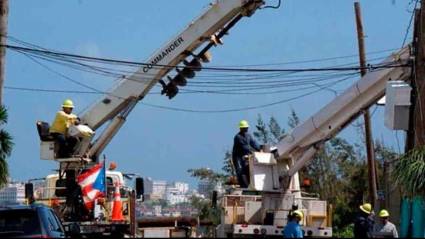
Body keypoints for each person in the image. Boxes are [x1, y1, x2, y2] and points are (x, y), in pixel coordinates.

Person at [231, 120, 261, 188]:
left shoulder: (248, 135)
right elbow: (245, 147)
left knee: (248, 169)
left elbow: (254, 143)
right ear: (241, 128)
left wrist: (260, 149)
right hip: (238, 157)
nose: (246, 129)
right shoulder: (238, 137)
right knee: (240, 171)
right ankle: (243, 186)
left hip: (245, 156)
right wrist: (253, 152)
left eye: (246, 127)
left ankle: (249, 185)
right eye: (244, 128)